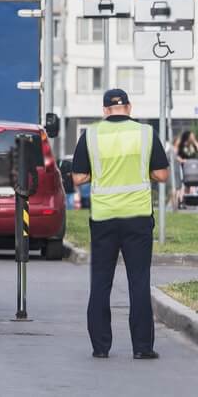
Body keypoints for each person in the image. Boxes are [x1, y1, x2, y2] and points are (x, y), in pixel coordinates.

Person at [72, 89, 169, 360]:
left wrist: (100, 174)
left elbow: (78, 178)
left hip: (104, 218)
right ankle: (142, 347)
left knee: (101, 281)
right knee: (139, 281)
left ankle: (100, 346)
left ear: (105, 110)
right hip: (137, 217)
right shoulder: (146, 133)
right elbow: (162, 174)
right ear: (129, 107)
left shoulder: (90, 135)